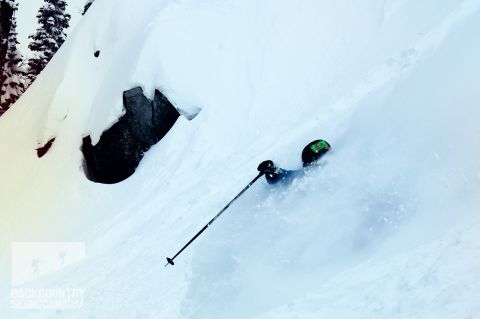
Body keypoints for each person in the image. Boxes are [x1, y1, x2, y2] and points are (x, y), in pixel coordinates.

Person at [257, 139, 331, 184]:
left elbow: (285, 178)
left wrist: (273, 172)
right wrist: (272, 171)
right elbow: (285, 177)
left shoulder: (328, 170)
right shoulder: (305, 175)